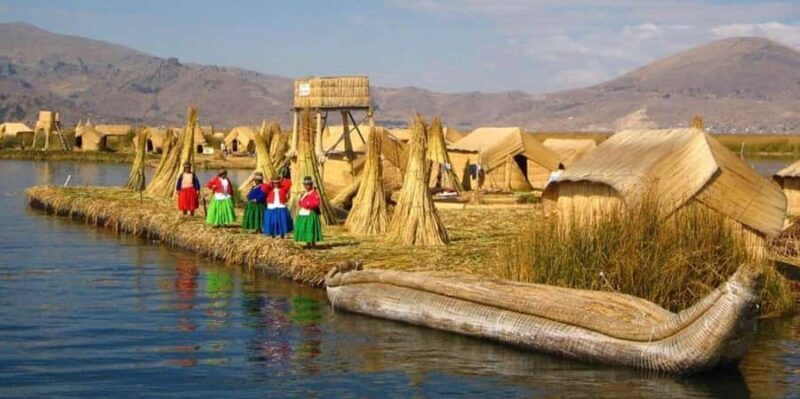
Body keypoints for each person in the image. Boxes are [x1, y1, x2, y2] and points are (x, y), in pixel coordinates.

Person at [294, 176, 323, 247]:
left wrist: (307, 204)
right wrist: (304, 204)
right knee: (305, 227)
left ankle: (312, 242)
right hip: (304, 212)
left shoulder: (314, 193)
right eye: (305, 185)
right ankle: (307, 241)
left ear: (311, 184)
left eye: (308, 184)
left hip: (311, 213)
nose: (306, 186)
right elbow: (300, 202)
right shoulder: (304, 194)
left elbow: (316, 203)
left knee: (311, 227)